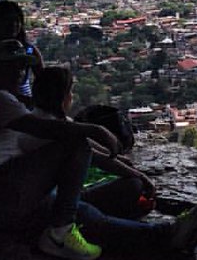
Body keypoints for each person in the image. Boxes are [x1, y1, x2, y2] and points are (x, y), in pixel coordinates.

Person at [0, 40, 197, 260]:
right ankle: (61, 233)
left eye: (24, 67)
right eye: (14, 66)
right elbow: (48, 130)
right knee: (76, 145)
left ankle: (167, 235)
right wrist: (95, 130)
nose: (20, 73)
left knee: (88, 216)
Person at [31, 66, 155, 220]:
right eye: (69, 91)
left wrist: (118, 158)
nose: (72, 96)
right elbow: (97, 157)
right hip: (54, 201)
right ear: (62, 96)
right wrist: (142, 177)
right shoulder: (53, 127)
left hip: (47, 194)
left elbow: (90, 143)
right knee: (134, 185)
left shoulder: (40, 118)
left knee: (128, 182)